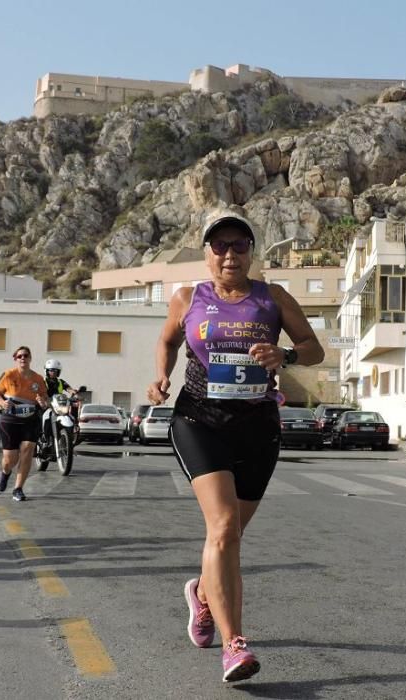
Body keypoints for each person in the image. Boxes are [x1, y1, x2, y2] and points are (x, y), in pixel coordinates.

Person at [147, 209, 324, 683]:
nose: (229, 254)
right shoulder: (188, 298)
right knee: (223, 527)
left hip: (257, 424)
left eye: (239, 245)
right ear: (206, 254)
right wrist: (162, 375)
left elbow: (313, 348)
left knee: (229, 536)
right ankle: (235, 645)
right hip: (199, 419)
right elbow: (167, 342)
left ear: (251, 252)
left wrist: (284, 353)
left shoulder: (273, 299)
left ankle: (203, 595)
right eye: (219, 246)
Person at [0, 346, 48, 502]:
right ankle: (5, 474)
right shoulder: (8, 375)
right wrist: (2, 402)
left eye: (26, 355)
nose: (23, 358)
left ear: (30, 358)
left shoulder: (38, 379)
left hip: (30, 419)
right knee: (10, 459)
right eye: (19, 356)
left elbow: (44, 398)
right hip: (10, 420)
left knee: (28, 449)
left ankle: (18, 488)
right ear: (15, 359)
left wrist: (43, 401)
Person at [39, 358, 76, 472]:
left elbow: (69, 389)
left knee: (70, 417)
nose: (53, 372)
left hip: (58, 406)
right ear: (47, 371)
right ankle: (45, 440)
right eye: (51, 370)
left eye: (55, 371)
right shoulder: (42, 381)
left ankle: (70, 439)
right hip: (47, 406)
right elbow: (39, 392)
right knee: (46, 418)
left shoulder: (61, 382)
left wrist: (74, 393)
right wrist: (42, 399)